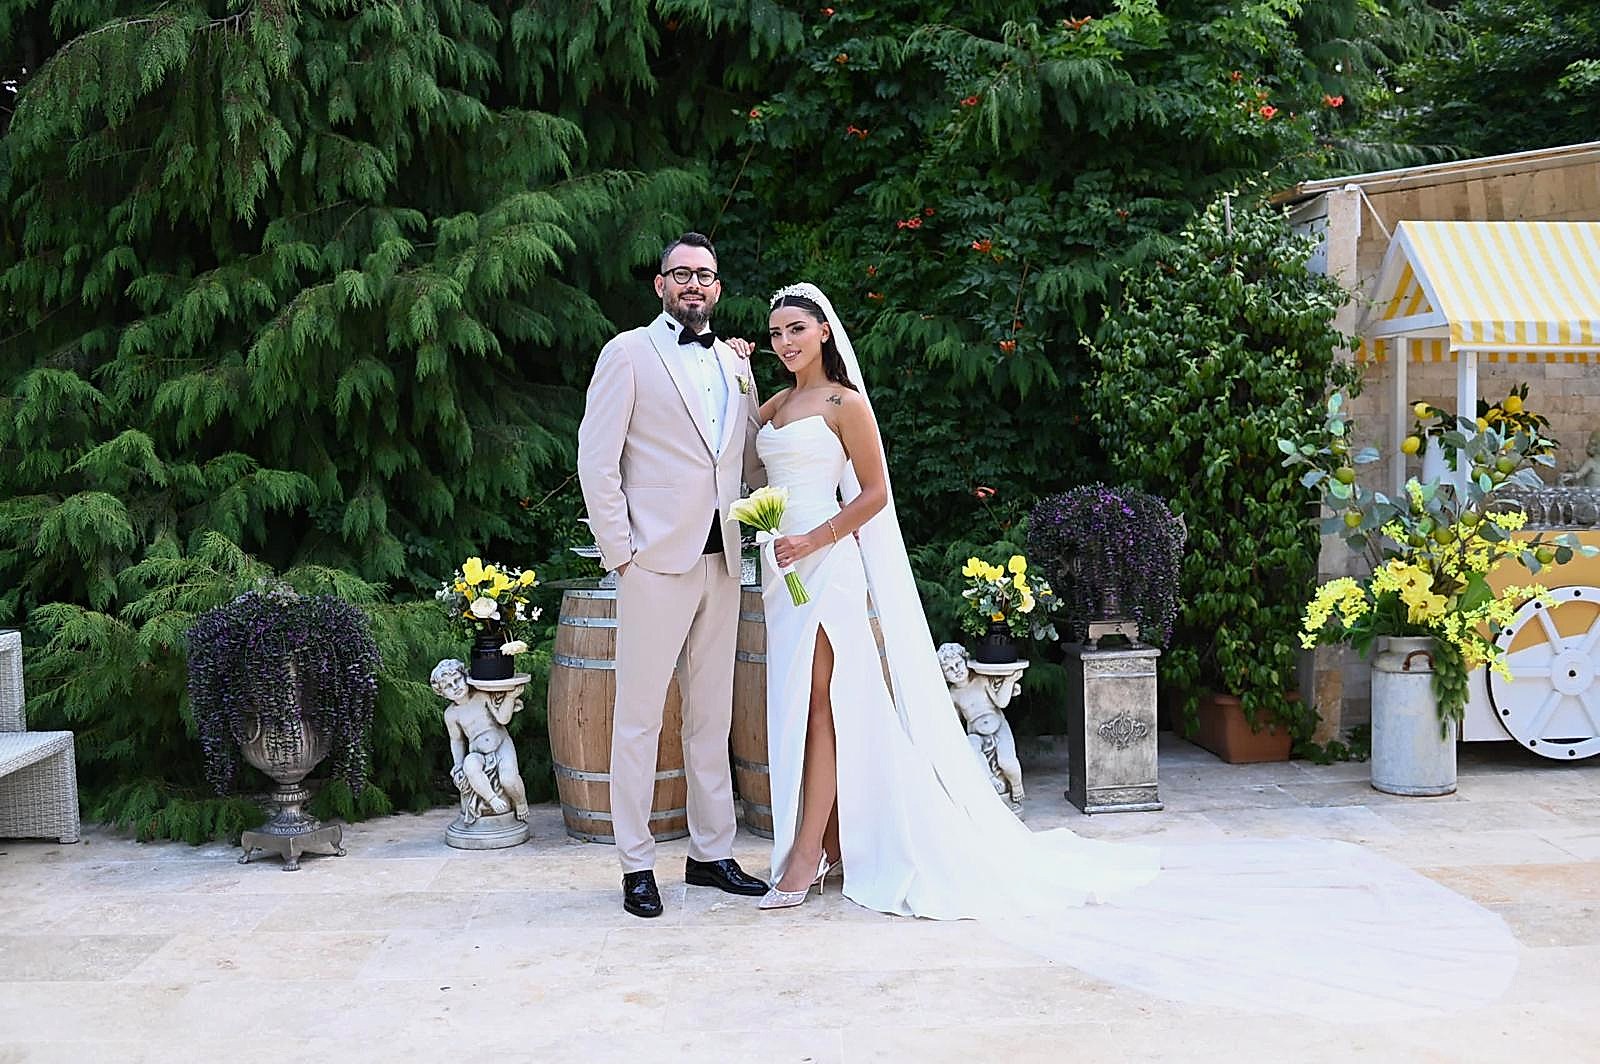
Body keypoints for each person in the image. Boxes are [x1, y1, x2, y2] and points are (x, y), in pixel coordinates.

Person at [746, 282, 1520, 1020]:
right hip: (783, 576)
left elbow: (875, 496)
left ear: (824, 332)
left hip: (828, 566)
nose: (785, 342)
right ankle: (834, 841)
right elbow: (749, 473)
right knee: (809, 706)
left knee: (826, 706)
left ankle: (806, 855)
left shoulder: (845, 404)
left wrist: (814, 538)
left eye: (797, 329)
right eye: (776, 333)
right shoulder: (774, 407)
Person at [576, 232, 769, 918]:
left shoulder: (737, 363)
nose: (693, 284)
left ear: (718, 289)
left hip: (725, 559)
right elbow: (596, 459)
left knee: (712, 717)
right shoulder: (627, 353)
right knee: (638, 719)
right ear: (660, 285)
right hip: (654, 562)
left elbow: (748, 459)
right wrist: (620, 553)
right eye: (680, 273)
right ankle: (636, 864)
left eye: (705, 275)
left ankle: (711, 853)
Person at [431, 658, 529, 824]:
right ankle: (492, 798)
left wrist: (510, 697)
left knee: (508, 779)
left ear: (465, 677)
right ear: (442, 693)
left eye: (457, 680)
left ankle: (520, 802)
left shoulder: (481, 696)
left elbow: (503, 719)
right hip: (478, 752)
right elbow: (457, 740)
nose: (455, 687)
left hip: (501, 746)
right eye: (448, 686)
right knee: (469, 765)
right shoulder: (451, 714)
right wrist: (458, 764)